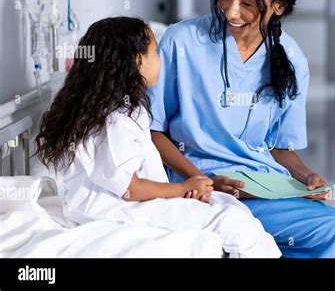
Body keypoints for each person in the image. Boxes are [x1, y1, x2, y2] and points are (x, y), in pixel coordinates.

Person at [149, 0, 335, 258]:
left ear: (278, 6)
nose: (230, 11)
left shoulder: (291, 59)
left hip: (260, 189)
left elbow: (278, 147)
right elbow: (154, 131)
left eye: (247, 4)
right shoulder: (181, 41)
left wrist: (306, 177)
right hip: (198, 187)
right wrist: (200, 178)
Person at [35, 16, 281, 258]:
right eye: (154, 51)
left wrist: (185, 189)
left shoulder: (119, 110)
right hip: (113, 209)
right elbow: (129, 188)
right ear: (136, 61)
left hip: (127, 201)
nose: (159, 59)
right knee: (231, 220)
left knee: (228, 208)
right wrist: (181, 188)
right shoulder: (115, 119)